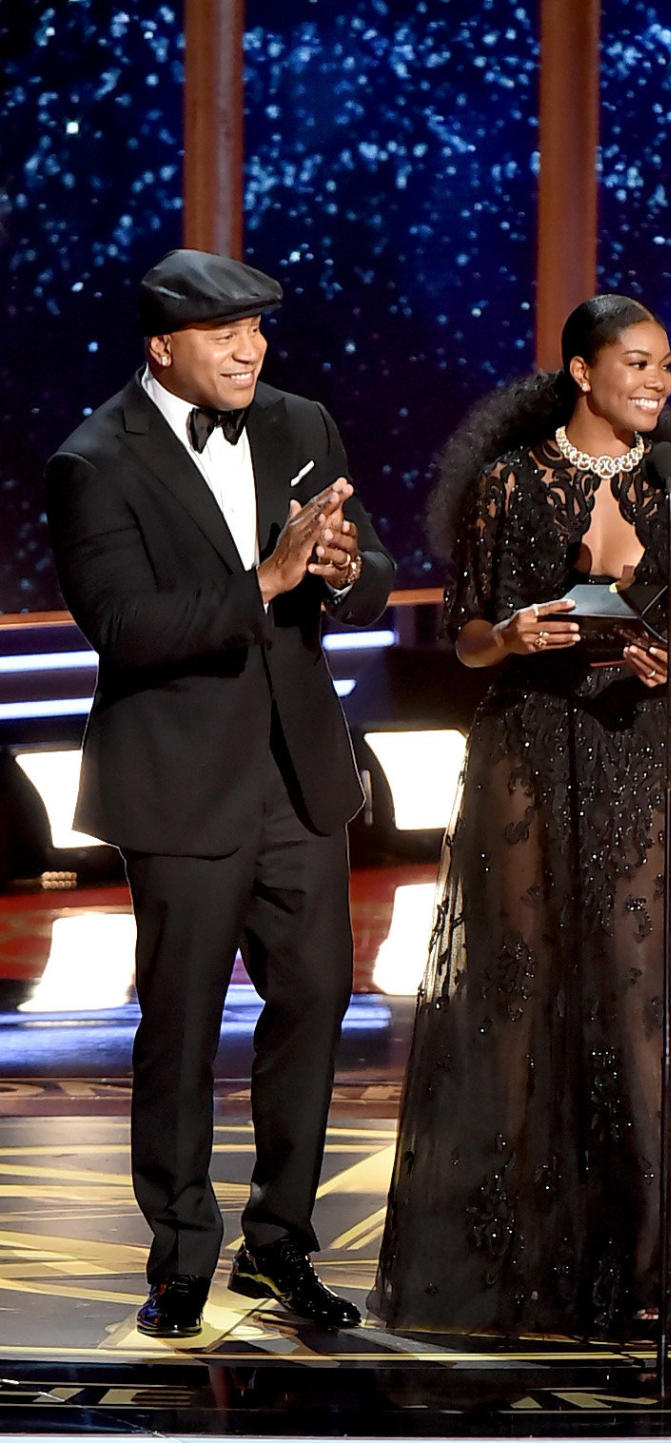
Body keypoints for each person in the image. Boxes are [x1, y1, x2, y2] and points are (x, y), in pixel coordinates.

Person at [368, 294, 671, 1343]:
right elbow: (466, 636)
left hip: (643, 753)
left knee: (643, 1006)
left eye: (666, 368)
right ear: (581, 371)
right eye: (638, 364)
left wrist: (666, 660)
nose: (658, 383)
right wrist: (507, 636)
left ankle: (650, 1256)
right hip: (525, 752)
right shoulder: (508, 487)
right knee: (518, 1001)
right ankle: (520, 1260)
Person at [44, 248, 395, 1338]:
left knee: (316, 1004)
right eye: (224, 332)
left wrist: (339, 568)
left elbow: (374, 569)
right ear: (162, 346)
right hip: (181, 786)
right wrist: (269, 580)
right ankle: (183, 1254)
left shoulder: (302, 422)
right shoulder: (95, 460)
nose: (250, 348)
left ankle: (280, 1247)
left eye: (259, 328)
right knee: (183, 1026)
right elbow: (128, 628)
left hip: (298, 779)